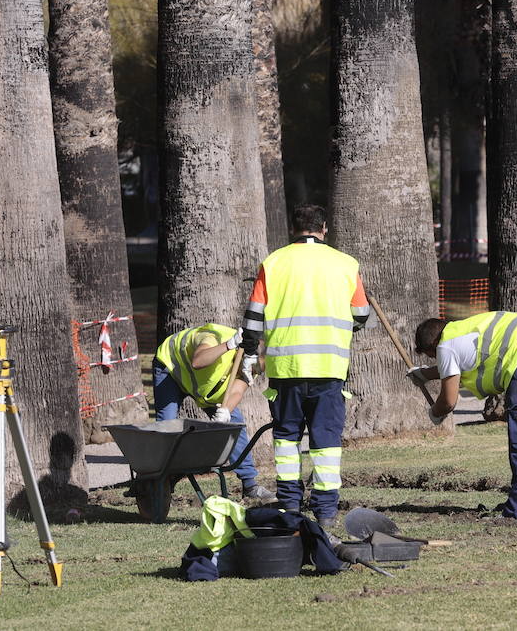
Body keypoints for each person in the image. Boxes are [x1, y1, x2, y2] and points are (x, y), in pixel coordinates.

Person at [242, 204, 370, 528]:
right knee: (326, 441)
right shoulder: (346, 264)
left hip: (286, 369)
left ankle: (289, 507)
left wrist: (249, 353)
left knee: (287, 439)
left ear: (292, 228)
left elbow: (253, 318)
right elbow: (361, 316)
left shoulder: (273, 263)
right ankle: (325, 512)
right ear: (324, 228)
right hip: (330, 368)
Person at [408, 311, 517, 522]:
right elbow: (456, 364)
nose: (436, 359)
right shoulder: (461, 332)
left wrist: (435, 413)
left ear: (432, 346)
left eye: (432, 356)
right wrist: (424, 374)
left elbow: (448, 401)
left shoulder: (445, 346)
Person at [153, 322, 275, 503]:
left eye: (256, 370)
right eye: (253, 368)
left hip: (202, 387)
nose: (252, 372)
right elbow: (197, 361)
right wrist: (228, 345)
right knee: (167, 426)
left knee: (234, 424)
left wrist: (226, 411)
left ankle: (250, 485)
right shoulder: (213, 337)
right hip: (171, 369)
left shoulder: (252, 364)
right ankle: (160, 479)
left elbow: (237, 391)